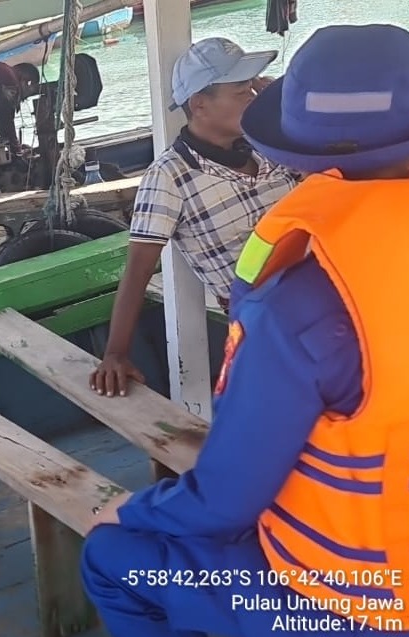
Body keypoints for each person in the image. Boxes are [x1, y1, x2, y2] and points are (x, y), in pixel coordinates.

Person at [80, 24, 409, 637]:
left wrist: (128, 509)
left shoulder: (302, 300)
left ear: (301, 151)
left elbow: (222, 504)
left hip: (389, 616)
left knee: (110, 555)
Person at [89, 37, 300, 397]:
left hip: (327, 295)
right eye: (241, 91)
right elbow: (139, 270)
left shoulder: (270, 147)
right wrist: (115, 354)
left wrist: (281, 104)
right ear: (200, 104)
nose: (253, 96)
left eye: (253, 87)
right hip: (264, 321)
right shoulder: (170, 176)